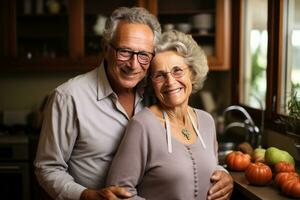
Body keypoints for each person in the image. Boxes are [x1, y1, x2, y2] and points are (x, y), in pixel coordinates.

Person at [34, 7, 161, 200]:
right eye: (124, 52)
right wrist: (87, 196)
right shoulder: (68, 97)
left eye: (144, 55)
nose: (134, 65)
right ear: (105, 48)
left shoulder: (156, 92)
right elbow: (48, 168)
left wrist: (219, 172)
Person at [106, 30, 233, 200]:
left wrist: (224, 174)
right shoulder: (142, 125)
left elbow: (210, 165)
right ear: (151, 83)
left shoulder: (206, 121)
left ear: (192, 73)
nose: (170, 82)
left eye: (177, 71)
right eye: (159, 75)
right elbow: (117, 191)